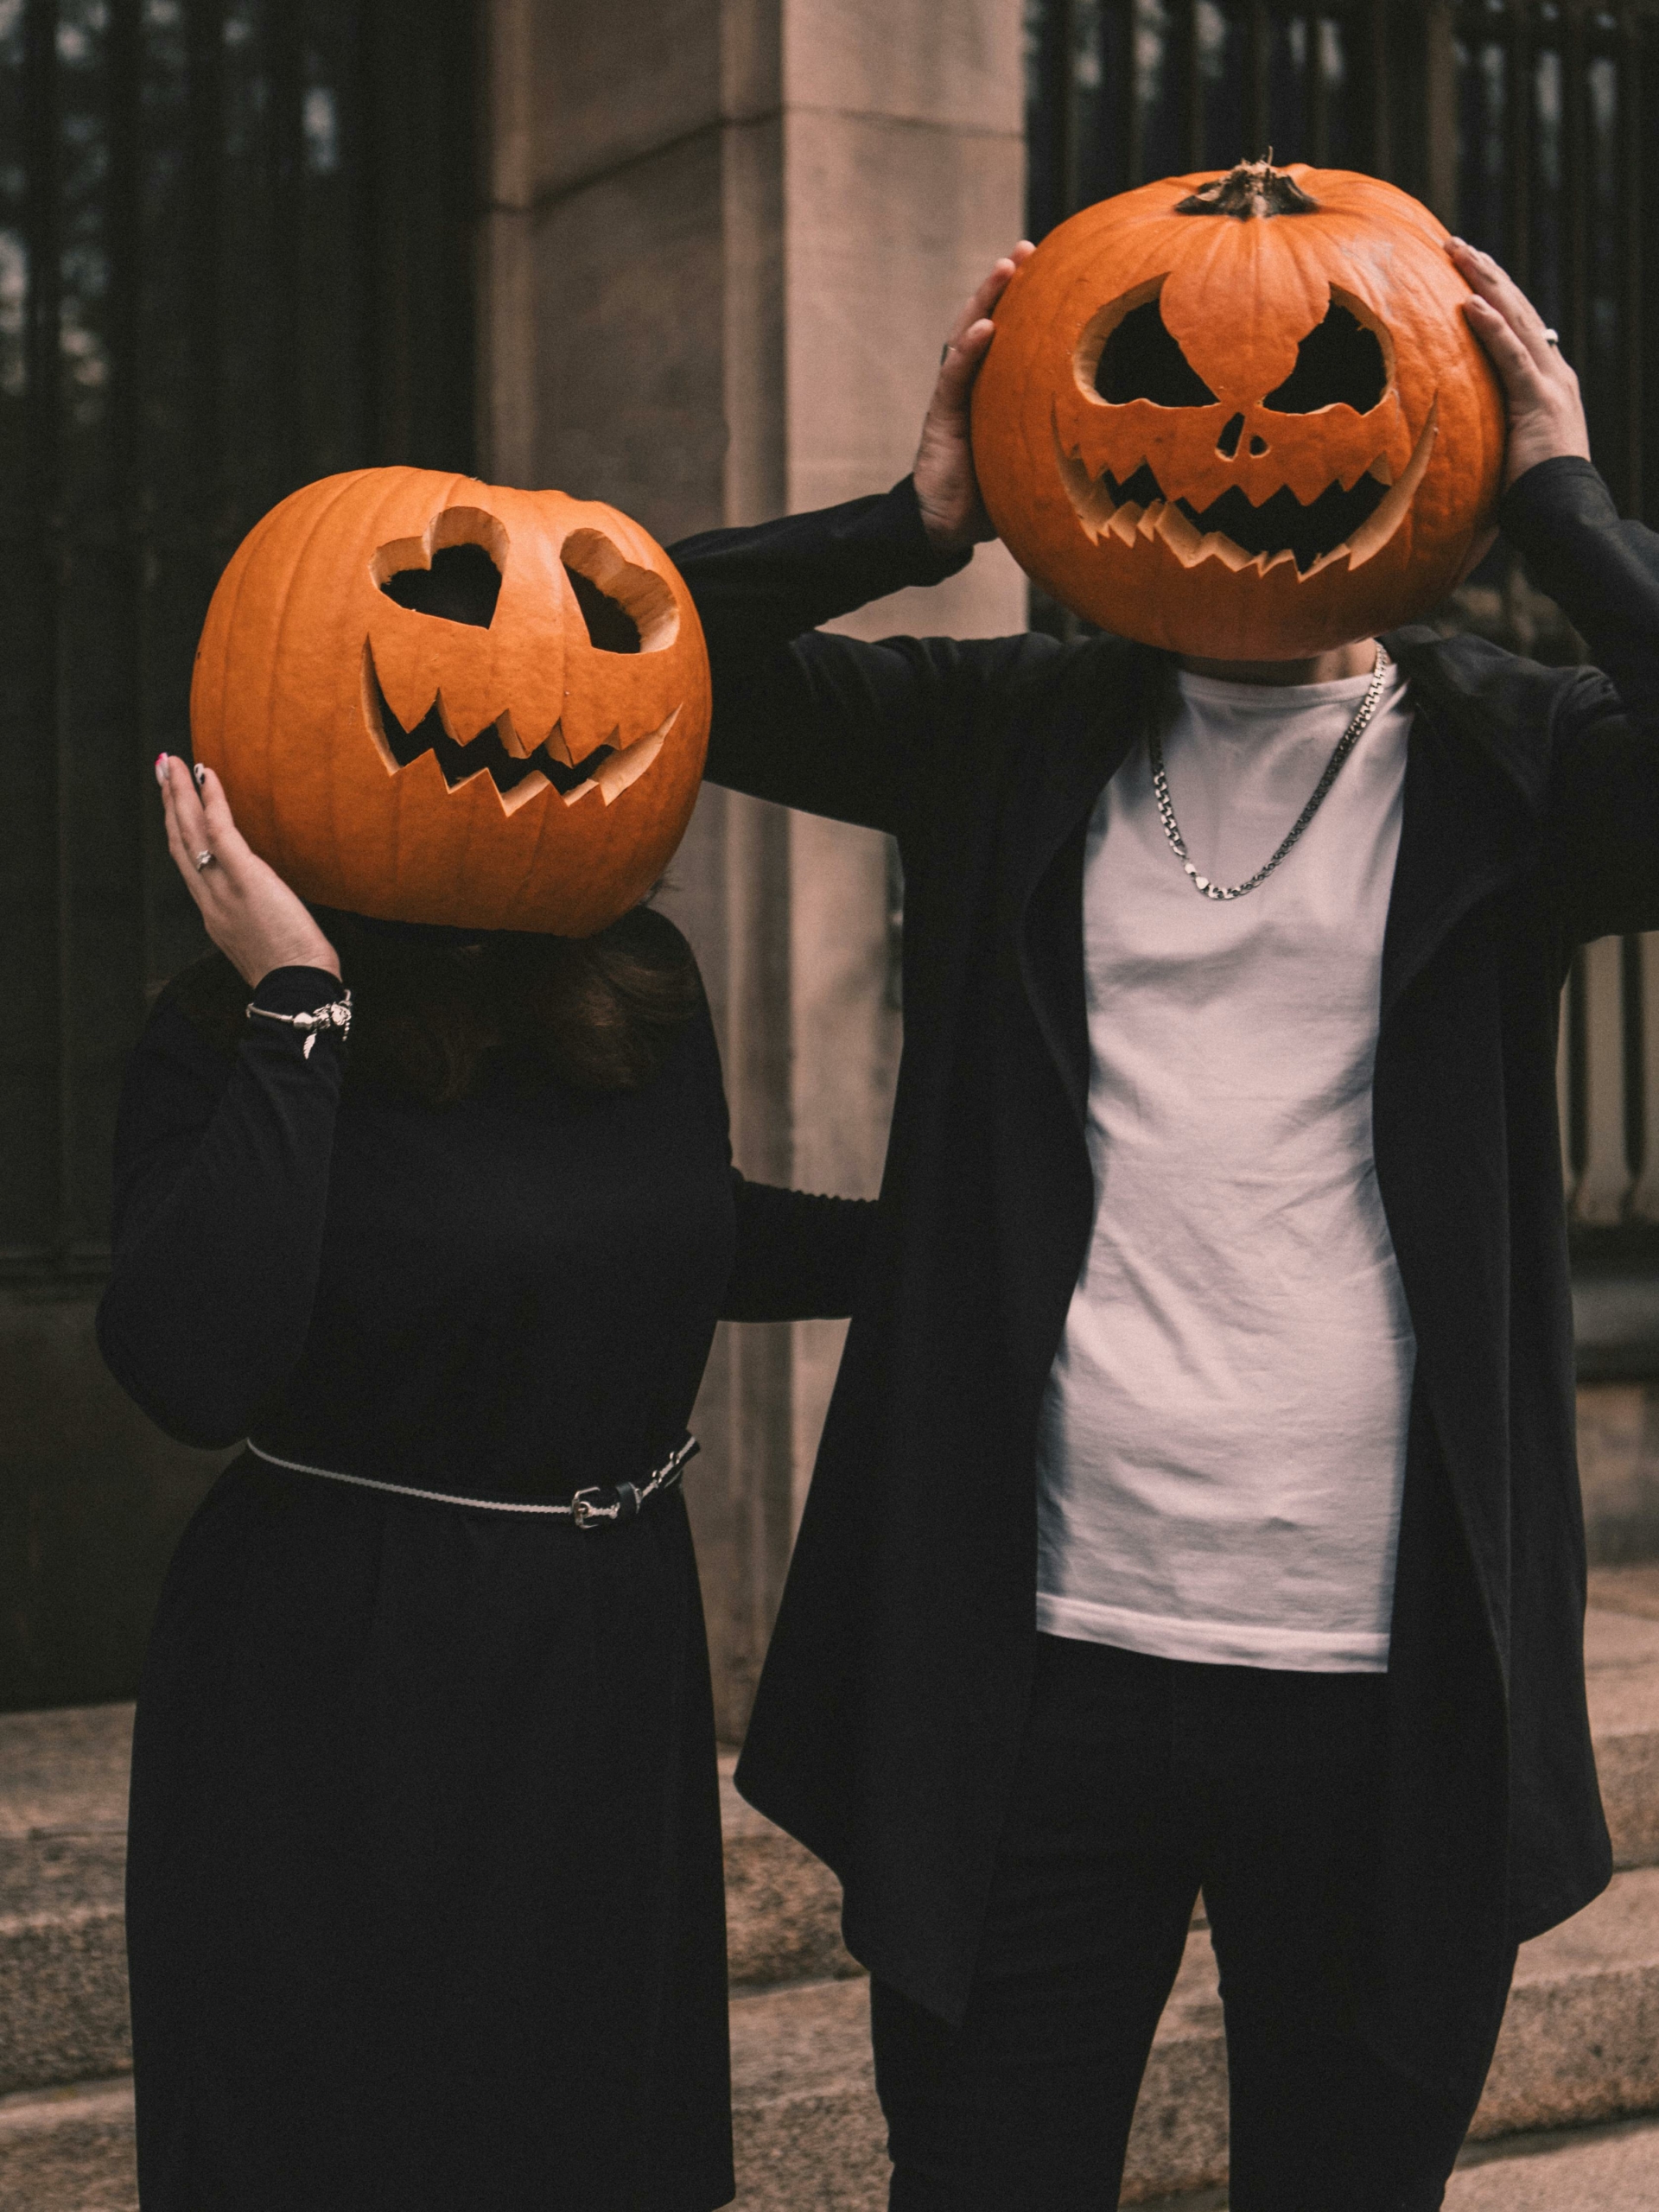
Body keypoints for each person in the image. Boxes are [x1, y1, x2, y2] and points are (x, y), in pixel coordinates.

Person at [667, 237, 1654, 2209]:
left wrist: (1563, 494)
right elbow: (638, 654)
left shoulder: (1513, 765)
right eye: (1159, 374)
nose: (1241, 434)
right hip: (1035, 1666)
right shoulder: (1009, 732)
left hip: (1385, 1683)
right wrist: (917, 511)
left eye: (1316, 386)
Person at [98, 756, 873, 2212]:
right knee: (345, 2139)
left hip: (603, 1644)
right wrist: (298, 1008)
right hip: (339, 1657)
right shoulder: (224, 1032)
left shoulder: (637, 984)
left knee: (587, 2137)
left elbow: (676, 1237)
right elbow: (190, 1365)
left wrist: (947, 1245)